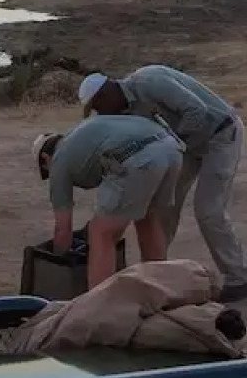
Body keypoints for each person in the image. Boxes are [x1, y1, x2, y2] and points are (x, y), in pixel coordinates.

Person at [78, 66, 247, 302]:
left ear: (105, 94)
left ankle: (241, 277)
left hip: (221, 134)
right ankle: (157, 274)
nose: (99, 112)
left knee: (209, 211)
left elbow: (196, 110)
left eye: (96, 106)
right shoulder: (128, 111)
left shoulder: (149, 81)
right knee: (164, 207)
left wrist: (174, 142)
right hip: (188, 144)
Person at [32, 114, 184, 289]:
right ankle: (159, 288)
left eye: (46, 170)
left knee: (101, 233)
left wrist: (58, 261)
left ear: (45, 158)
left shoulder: (59, 159)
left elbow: (62, 231)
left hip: (139, 157)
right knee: (148, 219)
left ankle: (101, 305)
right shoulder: (80, 136)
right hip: (171, 148)